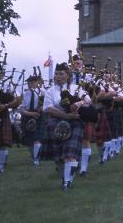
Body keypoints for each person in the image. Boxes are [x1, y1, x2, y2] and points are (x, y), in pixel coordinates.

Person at [42, 62, 89, 190]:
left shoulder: (76, 88)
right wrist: (66, 116)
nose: (58, 76)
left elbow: (88, 100)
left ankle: (67, 183)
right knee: (59, 157)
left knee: (70, 153)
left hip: (75, 122)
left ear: (67, 75)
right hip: (56, 123)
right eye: (56, 74)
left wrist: (79, 103)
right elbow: (48, 108)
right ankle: (65, 177)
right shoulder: (50, 91)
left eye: (61, 74)